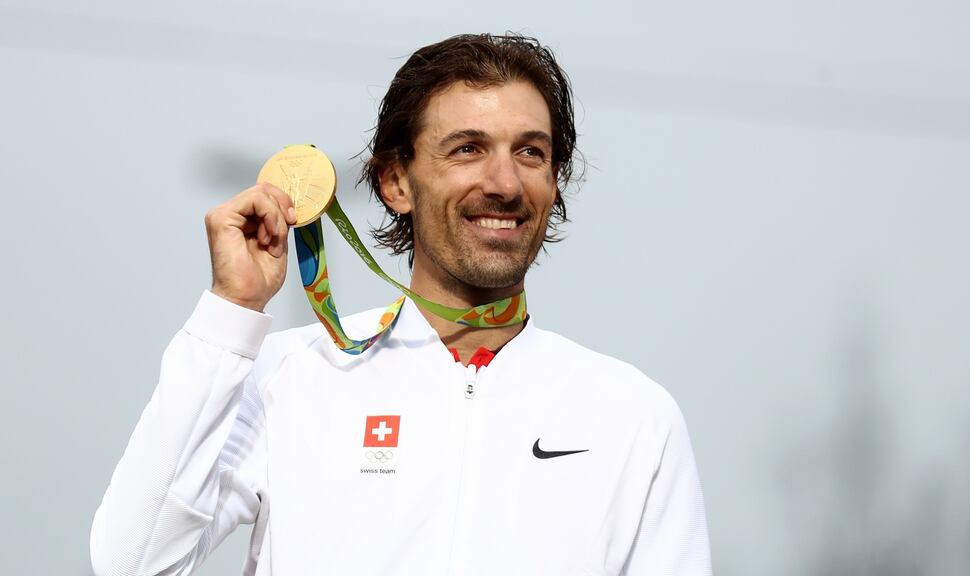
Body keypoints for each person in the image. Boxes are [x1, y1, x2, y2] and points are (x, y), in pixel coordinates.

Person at [91, 33, 711, 576]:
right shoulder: (288, 374)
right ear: (395, 182)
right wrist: (231, 314)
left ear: (554, 181)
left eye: (531, 152)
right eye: (468, 148)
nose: (504, 182)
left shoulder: (632, 414)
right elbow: (132, 564)